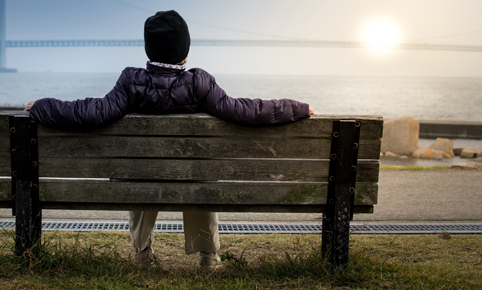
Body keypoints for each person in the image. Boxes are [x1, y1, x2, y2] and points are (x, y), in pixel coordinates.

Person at [24, 10, 314, 268]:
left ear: (149, 49)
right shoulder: (200, 83)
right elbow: (244, 111)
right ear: (185, 51)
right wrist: (297, 108)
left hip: (142, 178)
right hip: (191, 179)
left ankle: (141, 254)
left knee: (138, 174)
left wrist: (42, 106)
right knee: (200, 177)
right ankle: (208, 256)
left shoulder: (131, 82)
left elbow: (89, 112)